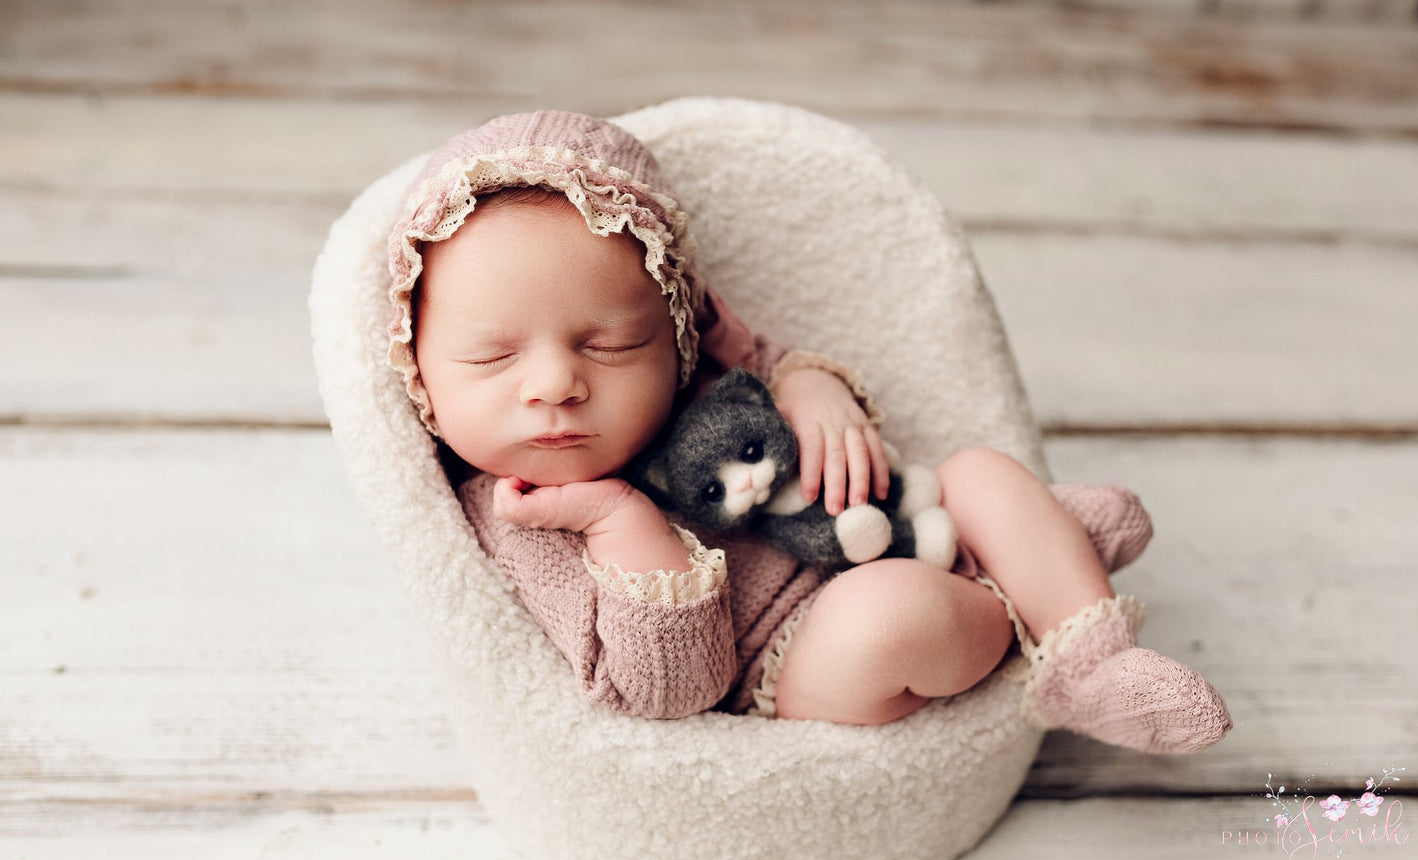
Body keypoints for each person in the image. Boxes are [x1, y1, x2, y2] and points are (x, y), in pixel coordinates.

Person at [383, 110, 1232, 753]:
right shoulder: (518, 514)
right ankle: (1015, 587)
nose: (557, 384)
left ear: (672, 335)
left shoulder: (691, 377)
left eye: (611, 344)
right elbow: (671, 687)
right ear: (419, 376)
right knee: (889, 614)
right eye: (491, 359)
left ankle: (1091, 661)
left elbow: (763, 357)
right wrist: (619, 522)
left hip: (879, 521)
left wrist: (813, 388)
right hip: (791, 657)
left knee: (979, 468)